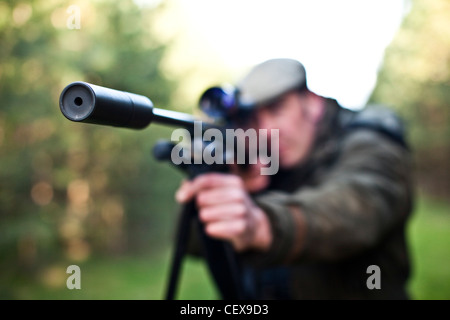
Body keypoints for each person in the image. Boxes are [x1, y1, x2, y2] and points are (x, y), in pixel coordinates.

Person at [175, 58, 414, 299]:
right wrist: (237, 187)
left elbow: (354, 210)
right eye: (255, 120)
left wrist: (260, 224)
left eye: (277, 110)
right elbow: (192, 244)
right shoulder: (265, 161)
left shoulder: (368, 140)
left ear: (312, 103)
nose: (266, 131)